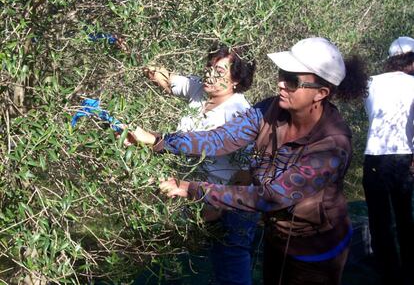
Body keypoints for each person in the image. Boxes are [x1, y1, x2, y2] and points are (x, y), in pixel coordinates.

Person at [128, 37, 369, 285]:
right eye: (282, 74)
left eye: (292, 80)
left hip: (316, 251)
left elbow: (269, 196)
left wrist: (191, 189)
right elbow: (218, 139)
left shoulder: (332, 145)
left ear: (321, 93)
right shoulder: (270, 109)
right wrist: (158, 140)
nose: (280, 84)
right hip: (277, 238)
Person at [137, 44, 260, 285]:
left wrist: (218, 208)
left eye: (220, 71)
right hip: (196, 195)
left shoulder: (239, 114)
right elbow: (164, 78)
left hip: (229, 204)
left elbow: (245, 175)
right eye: (209, 67)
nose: (210, 75)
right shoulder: (199, 90)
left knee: (231, 268)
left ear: (236, 79)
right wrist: (131, 52)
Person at [362, 36, 414, 285]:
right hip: (404, 156)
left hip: (374, 157)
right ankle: (409, 268)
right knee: (405, 215)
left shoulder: (370, 82)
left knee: (379, 220)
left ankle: (389, 274)